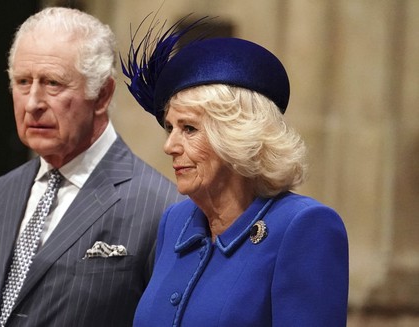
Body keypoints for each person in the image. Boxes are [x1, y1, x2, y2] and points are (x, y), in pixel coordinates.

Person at [122, 16, 349, 327]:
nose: (170, 146)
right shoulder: (175, 223)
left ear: (237, 137)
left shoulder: (304, 226)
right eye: (169, 128)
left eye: (189, 128)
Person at [0, 7, 183, 327]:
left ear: (103, 94)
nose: (33, 102)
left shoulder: (163, 207)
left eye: (53, 83)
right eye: (23, 82)